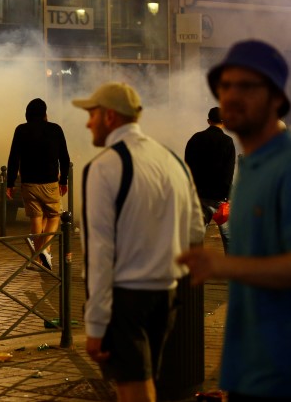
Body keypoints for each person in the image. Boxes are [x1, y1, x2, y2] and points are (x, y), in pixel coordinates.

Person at [71, 82, 204, 402]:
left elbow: (99, 253)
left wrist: (97, 322)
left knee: (133, 389)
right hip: (167, 295)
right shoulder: (173, 161)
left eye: (92, 114)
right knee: (145, 382)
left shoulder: (103, 168)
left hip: (127, 298)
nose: (87, 122)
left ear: (110, 116)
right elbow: (196, 231)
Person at [178, 40, 291, 400]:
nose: (230, 96)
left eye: (246, 86)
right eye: (225, 86)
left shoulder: (286, 167)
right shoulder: (252, 165)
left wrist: (226, 266)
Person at [5, 98, 70, 270]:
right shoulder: (55, 129)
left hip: (28, 183)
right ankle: (44, 250)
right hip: (49, 182)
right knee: (54, 216)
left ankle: (37, 260)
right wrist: (64, 180)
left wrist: (9, 183)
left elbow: (14, 158)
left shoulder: (21, 130)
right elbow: (64, 158)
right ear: (44, 113)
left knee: (36, 218)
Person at [184, 106, 236, 253]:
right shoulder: (228, 141)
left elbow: (187, 167)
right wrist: (226, 197)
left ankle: (197, 272)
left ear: (208, 121)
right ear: (224, 122)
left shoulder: (195, 139)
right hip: (220, 199)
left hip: (199, 198)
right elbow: (228, 172)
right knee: (229, 238)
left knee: (196, 237)